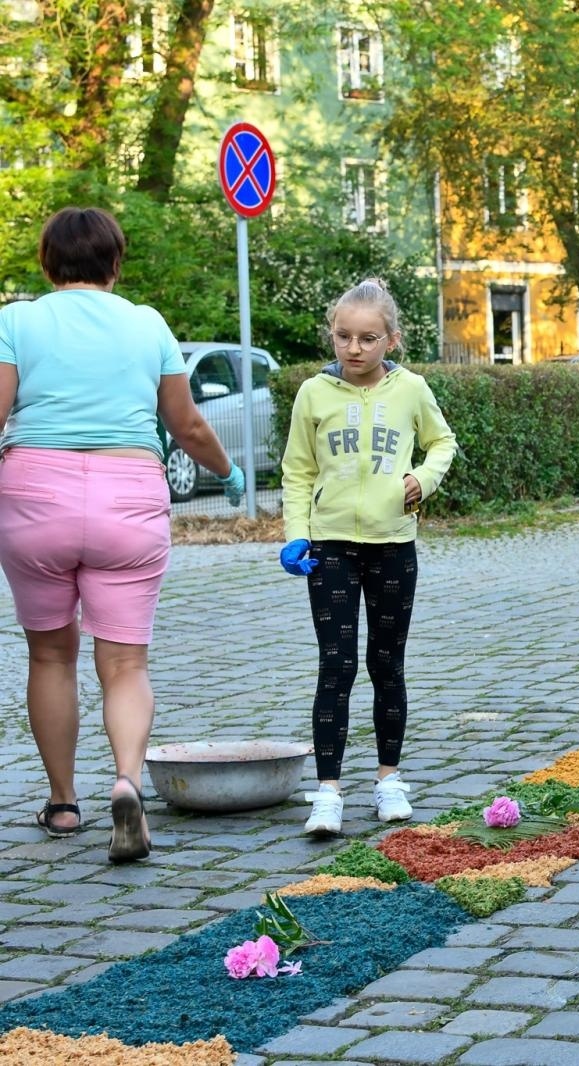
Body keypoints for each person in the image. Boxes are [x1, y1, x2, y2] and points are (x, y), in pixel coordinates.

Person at [0, 206, 244, 863]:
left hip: (34, 498)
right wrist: (229, 472)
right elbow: (186, 424)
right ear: (116, 263)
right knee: (126, 662)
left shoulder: (14, 321)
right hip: (128, 498)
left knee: (50, 655)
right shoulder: (147, 325)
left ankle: (61, 803)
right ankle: (127, 782)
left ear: (48, 264)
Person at [278, 278, 457, 837]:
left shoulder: (411, 391)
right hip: (330, 547)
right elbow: (297, 470)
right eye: (343, 336)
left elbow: (443, 443)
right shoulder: (313, 394)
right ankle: (328, 792)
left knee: (387, 664)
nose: (354, 349)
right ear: (332, 335)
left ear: (392, 340)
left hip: (393, 546)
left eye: (368, 338)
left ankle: (388, 780)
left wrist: (422, 479)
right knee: (336, 665)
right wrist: (295, 532)